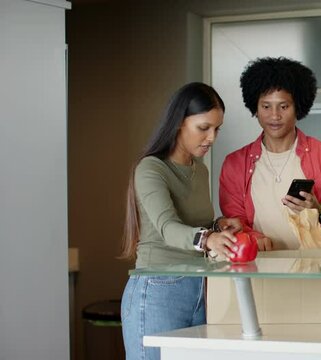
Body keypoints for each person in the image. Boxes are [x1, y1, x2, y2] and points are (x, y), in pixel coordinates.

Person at [120, 82, 242, 360]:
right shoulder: (151, 168)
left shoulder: (200, 170)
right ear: (178, 123)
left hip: (198, 287)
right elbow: (168, 228)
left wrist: (218, 226)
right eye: (204, 128)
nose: (212, 137)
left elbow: (194, 224)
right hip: (158, 289)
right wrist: (208, 239)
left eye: (217, 129)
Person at [219, 57, 321, 250]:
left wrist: (320, 211)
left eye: (284, 106)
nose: (274, 115)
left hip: (319, 271)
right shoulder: (235, 163)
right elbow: (235, 223)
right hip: (258, 270)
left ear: (298, 107)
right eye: (266, 106)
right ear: (255, 108)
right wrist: (253, 237)